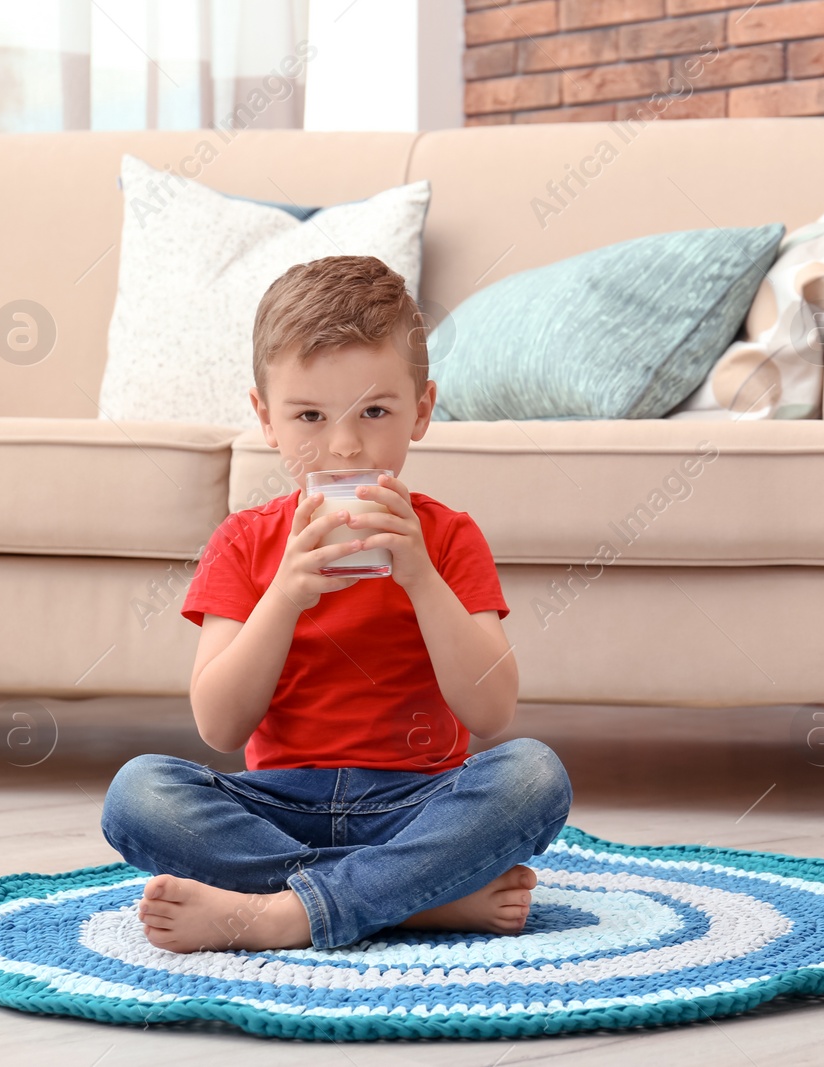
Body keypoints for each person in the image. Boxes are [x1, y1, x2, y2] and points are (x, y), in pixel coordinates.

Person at [100, 254, 572, 954]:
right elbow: (220, 725)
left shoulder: (448, 537)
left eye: (375, 412)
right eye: (310, 416)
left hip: (415, 804)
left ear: (422, 412)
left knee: (535, 773)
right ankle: (412, 901)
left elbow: (492, 711)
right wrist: (284, 596)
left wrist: (420, 578)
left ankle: (282, 911)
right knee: (138, 792)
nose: (345, 445)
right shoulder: (243, 543)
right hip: (278, 806)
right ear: (266, 419)